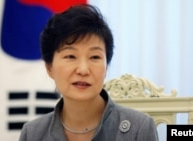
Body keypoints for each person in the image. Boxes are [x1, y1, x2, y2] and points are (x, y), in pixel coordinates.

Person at [19, 4, 159, 141]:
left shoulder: (139, 129)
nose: (83, 70)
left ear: (106, 67)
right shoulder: (32, 134)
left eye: (94, 57)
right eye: (70, 56)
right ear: (50, 68)